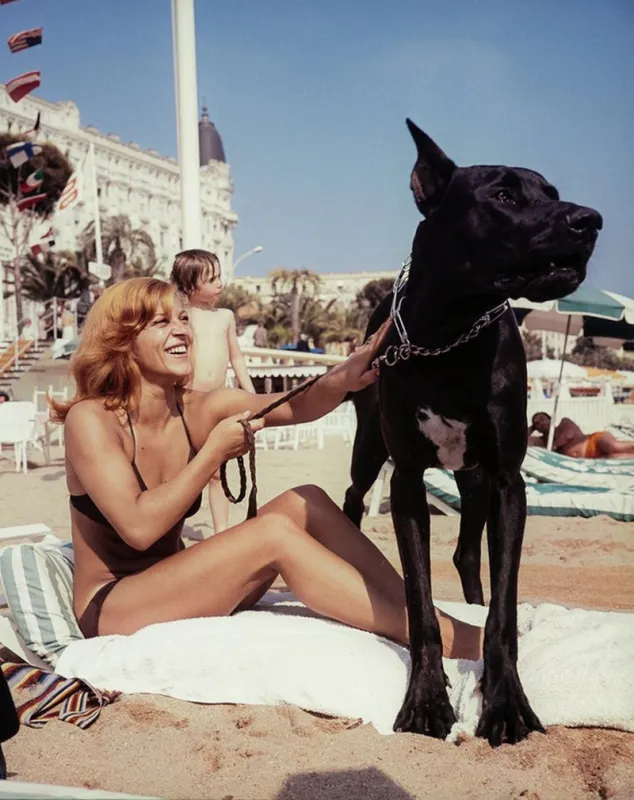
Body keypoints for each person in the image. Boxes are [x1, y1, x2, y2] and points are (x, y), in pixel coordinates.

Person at [50, 277, 482, 661]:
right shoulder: (91, 419)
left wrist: (344, 376)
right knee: (272, 534)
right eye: (161, 323)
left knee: (305, 500)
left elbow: (293, 404)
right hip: (114, 604)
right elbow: (139, 528)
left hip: (179, 582)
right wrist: (212, 454)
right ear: (122, 341)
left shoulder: (197, 408)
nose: (182, 330)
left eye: (183, 319)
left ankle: (419, 612)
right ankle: (436, 637)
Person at [170, 250, 256, 534]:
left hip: (217, 400)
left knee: (219, 471)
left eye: (219, 276)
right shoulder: (181, 317)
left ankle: (221, 531)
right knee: (182, 470)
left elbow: (237, 357)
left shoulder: (226, 317)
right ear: (191, 285)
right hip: (185, 399)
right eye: (212, 279)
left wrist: (250, 393)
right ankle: (171, 528)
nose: (220, 283)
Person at [528, 412, 634, 459]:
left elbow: (568, 435)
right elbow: (522, 440)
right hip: (591, 456)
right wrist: (531, 428)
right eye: (537, 423)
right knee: (617, 457)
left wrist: (553, 447)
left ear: (550, 418)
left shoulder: (564, 423)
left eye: (542, 419)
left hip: (594, 441)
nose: (541, 423)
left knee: (615, 447)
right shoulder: (544, 441)